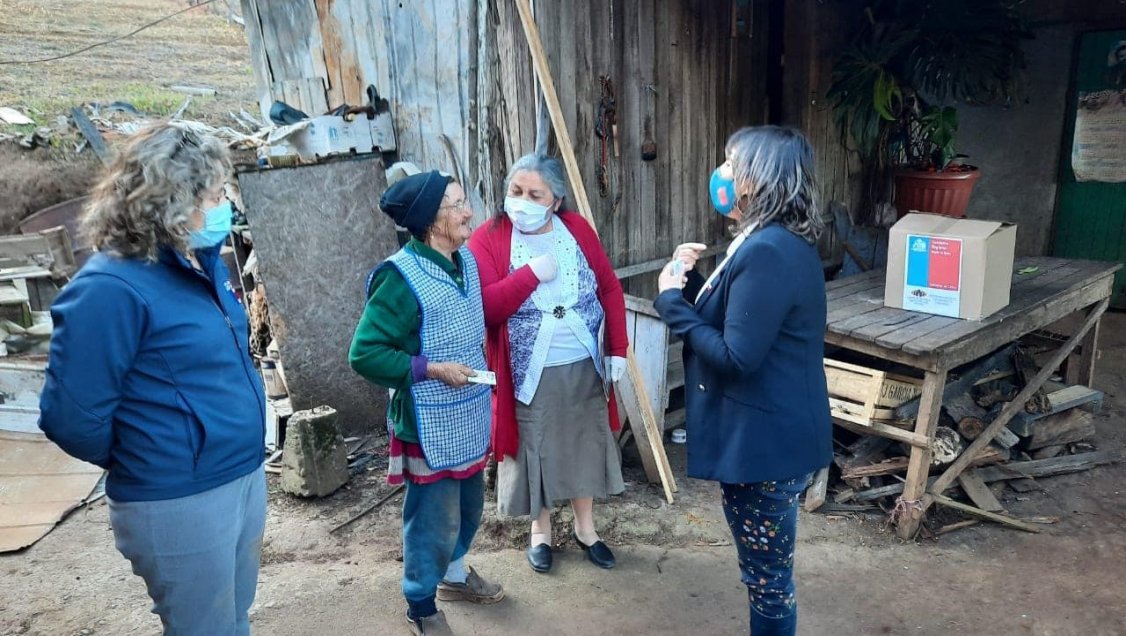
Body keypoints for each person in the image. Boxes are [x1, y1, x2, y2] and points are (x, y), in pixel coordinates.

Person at [38, 123, 267, 635]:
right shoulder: (110, 287)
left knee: (231, 619)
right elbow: (71, 416)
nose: (223, 205)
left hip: (240, 475)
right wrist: (154, 449)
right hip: (178, 498)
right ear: (172, 199)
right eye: (214, 195)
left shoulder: (198, 265)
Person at [653, 126, 833, 636]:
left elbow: (737, 356)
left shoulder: (767, 251)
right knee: (766, 576)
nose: (723, 174)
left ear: (759, 179)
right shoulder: (767, 242)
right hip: (772, 437)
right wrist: (684, 287)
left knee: (768, 582)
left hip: (766, 447)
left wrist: (670, 305)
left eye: (732, 164)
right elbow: (740, 330)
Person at [349, 168, 504, 635]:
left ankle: (454, 575)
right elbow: (365, 354)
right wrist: (430, 369)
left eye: (464, 201)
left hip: (469, 410)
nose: (468, 212)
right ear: (430, 222)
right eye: (456, 206)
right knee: (432, 518)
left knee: (470, 506)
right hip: (428, 419)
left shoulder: (466, 262)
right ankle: (419, 600)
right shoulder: (400, 278)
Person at [467, 153, 628, 574]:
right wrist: (531, 274)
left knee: (583, 442)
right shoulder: (488, 238)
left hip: (581, 359)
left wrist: (617, 348)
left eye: (534, 194)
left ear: (556, 200)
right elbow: (487, 307)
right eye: (515, 191)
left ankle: (586, 529)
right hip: (527, 370)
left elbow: (608, 286)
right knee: (535, 446)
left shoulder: (575, 229)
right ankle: (541, 533)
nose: (521, 201)